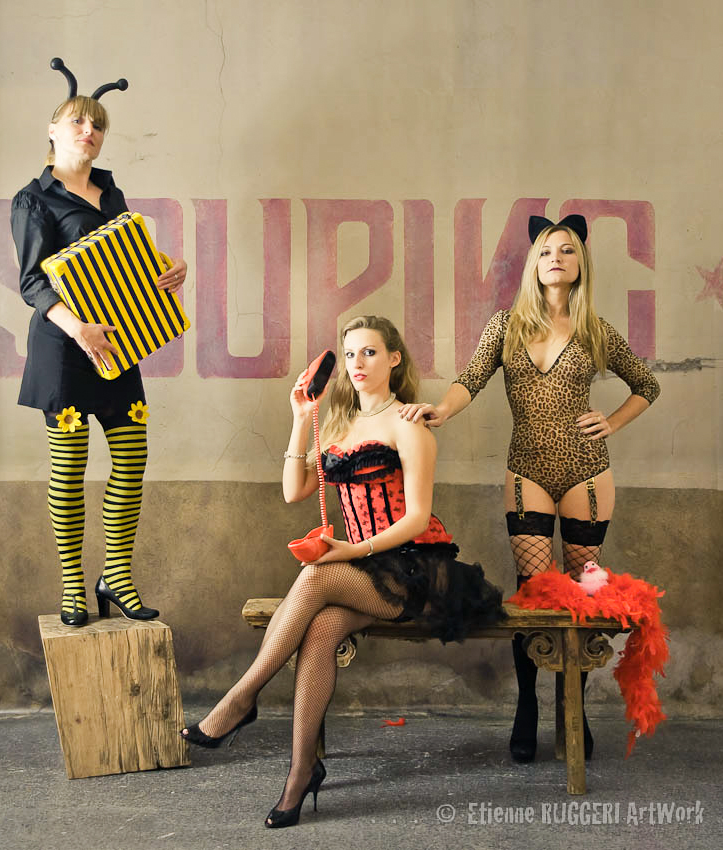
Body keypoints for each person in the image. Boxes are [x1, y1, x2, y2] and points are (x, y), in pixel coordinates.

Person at [181, 315, 505, 828]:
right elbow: (294, 491)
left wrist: (353, 550)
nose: (357, 363)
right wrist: (300, 416)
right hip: (363, 570)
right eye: (350, 354)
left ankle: (241, 698)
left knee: (315, 576)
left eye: (370, 352)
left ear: (394, 359)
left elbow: (417, 517)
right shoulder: (336, 425)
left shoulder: (408, 423)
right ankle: (301, 772)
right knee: (322, 631)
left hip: (416, 570)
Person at [399, 214, 660, 762]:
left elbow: (646, 385)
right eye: (545, 251)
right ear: (533, 265)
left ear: (580, 263)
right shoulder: (507, 325)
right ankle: (527, 706)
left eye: (566, 250)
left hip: (588, 471)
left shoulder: (594, 329)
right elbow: (470, 379)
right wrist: (440, 410)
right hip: (527, 470)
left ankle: (573, 707)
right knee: (535, 594)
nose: (555, 259)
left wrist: (611, 422)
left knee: (584, 595)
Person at [10, 59, 187, 626]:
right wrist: (78, 328)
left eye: (99, 125)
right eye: (79, 121)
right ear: (53, 130)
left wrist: (169, 269)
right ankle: (72, 588)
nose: (90, 130)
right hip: (64, 349)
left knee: (130, 462)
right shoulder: (33, 199)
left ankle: (116, 578)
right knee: (68, 472)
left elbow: (126, 261)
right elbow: (33, 282)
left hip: (116, 345)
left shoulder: (111, 192)